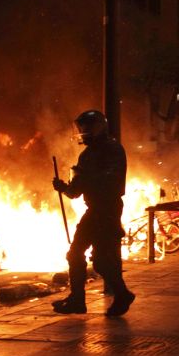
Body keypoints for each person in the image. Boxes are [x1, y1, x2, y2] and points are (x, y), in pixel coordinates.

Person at [51, 110, 135, 316]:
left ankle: (122, 294)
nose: (84, 132)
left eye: (87, 128)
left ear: (99, 127)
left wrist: (86, 177)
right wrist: (63, 187)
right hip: (94, 209)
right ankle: (77, 300)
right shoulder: (86, 155)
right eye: (81, 129)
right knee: (75, 254)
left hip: (107, 209)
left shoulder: (113, 150)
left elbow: (111, 180)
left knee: (101, 260)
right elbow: (76, 192)